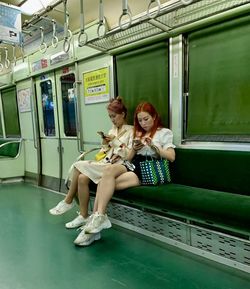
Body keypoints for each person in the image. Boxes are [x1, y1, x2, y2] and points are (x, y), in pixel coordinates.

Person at [74, 102, 175, 245]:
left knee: (103, 182)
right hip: (134, 163)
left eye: (146, 119)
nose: (143, 123)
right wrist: (134, 148)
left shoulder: (164, 132)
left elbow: (171, 156)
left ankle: (93, 227)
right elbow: (128, 158)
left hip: (147, 168)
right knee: (106, 174)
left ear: (154, 117)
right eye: (140, 120)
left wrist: (154, 148)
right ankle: (98, 218)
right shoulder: (138, 133)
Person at [49, 97, 133, 235]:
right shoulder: (112, 131)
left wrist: (116, 142)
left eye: (114, 116)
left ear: (123, 114)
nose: (112, 119)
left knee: (78, 164)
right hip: (105, 162)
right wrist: (106, 144)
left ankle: (68, 200)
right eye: (110, 117)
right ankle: (83, 215)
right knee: (82, 178)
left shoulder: (131, 131)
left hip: (117, 166)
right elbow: (104, 152)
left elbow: (128, 155)